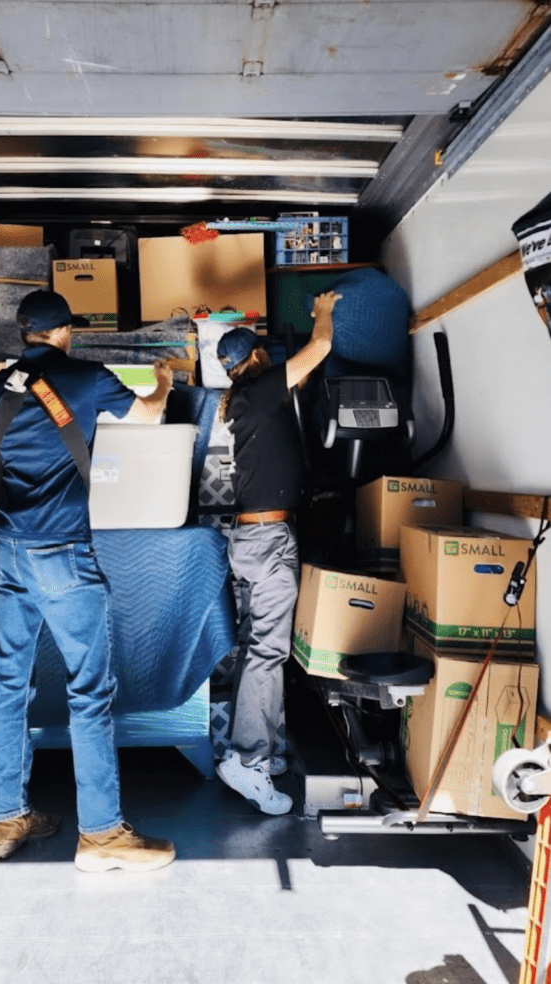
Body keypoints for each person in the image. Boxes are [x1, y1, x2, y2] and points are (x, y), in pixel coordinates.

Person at [0, 289, 176, 871]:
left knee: (9, 688)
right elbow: (149, 415)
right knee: (89, 692)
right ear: (67, 331)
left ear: (25, 333)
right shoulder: (86, 377)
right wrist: (161, 381)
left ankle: (5, 818)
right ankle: (101, 834)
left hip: (8, 554)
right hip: (61, 553)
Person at [214, 291, 340, 815]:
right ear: (260, 358)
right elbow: (321, 348)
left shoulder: (248, 398)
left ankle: (257, 748)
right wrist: (323, 311)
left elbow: (302, 380)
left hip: (253, 540)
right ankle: (248, 760)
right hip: (267, 543)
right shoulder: (263, 389)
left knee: (257, 649)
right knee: (269, 652)